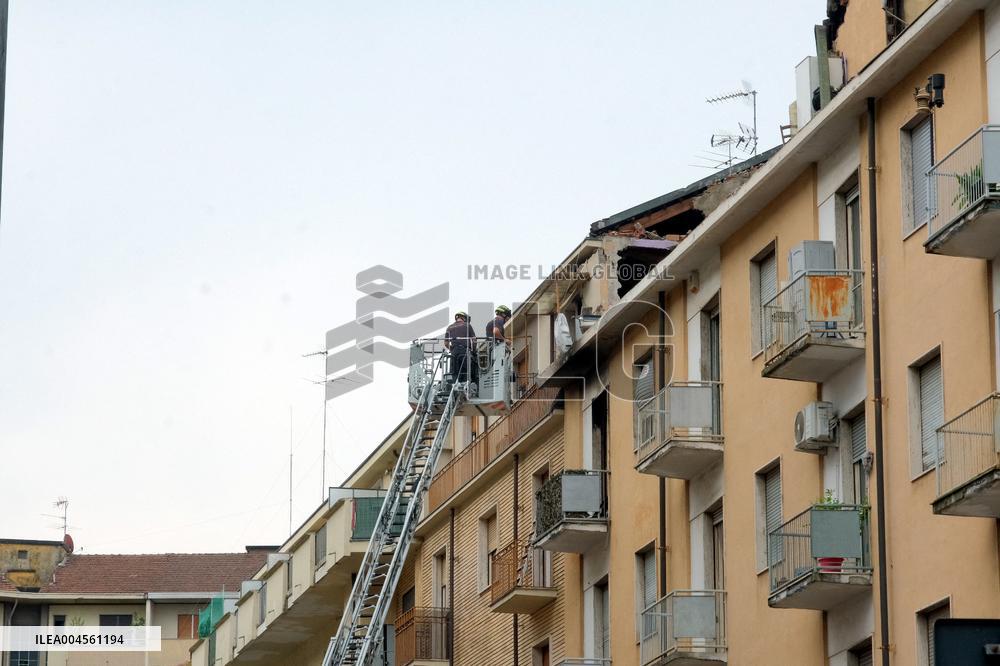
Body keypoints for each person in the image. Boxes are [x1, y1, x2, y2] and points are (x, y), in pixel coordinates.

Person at [444, 311, 477, 385]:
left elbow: (446, 343)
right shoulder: (467, 325)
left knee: (454, 373)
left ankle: (454, 387)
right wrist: (474, 351)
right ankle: (467, 388)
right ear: (464, 318)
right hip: (464, 351)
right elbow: (474, 340)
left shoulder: (449, 327)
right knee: (467, 371)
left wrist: (452, 350)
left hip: (454, 352)